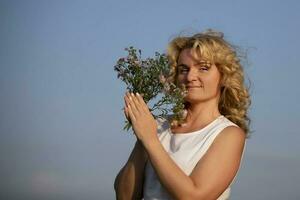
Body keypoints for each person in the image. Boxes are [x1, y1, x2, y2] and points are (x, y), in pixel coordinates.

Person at [114, 29, 251, 200]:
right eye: (183, 69)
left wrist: (150, 140)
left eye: (203, 68)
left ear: (223, 76)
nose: (190, 76)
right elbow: (124, 196)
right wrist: (142, 140)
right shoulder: (157, 126)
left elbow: (194, 196)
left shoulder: (228, 134)